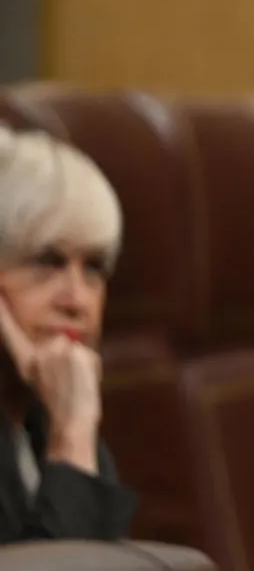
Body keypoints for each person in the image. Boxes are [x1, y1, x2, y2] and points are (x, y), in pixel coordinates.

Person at [0, 126, 136, 540]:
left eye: (93, 268)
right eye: (46, 261)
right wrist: (72, 436)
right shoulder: (68, 424)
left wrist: (73, 429)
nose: (77, 300)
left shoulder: (51, 413)